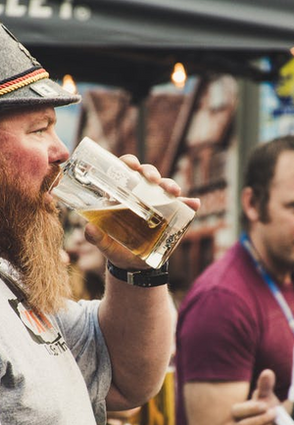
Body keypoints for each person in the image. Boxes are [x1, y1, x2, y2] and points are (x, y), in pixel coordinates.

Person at [0, 23, 200, 425]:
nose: (62, 151)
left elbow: (124, 379)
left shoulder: (11, 274)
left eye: (55, 127)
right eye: (39, 130)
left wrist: (136, 269)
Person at [176, 135, 294, 425]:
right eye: (293, 206)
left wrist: (284, 410)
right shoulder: (221, 300)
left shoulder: (286, 270)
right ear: (252, 203)